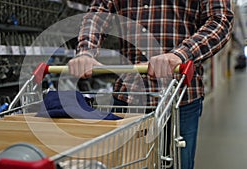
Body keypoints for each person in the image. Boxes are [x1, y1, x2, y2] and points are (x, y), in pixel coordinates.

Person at [67, 0, 234, 169]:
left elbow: (220, 20)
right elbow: (97, 15)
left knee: (179, 163)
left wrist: (181, 54)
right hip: (128, 94)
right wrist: (86, 51)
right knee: (124, 163)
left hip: (180, 98)